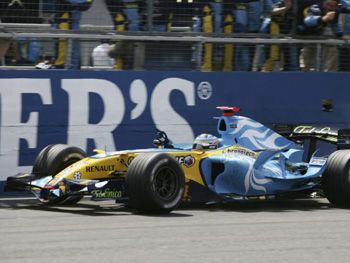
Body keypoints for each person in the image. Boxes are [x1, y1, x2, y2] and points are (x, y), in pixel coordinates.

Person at [299, 0, 350, 71]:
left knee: (323, 61)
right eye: (327, 4)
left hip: (321, 35)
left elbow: (334, 24)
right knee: (307, 61)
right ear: (323, 2)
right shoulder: (316, 8)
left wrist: (340, 35)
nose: (329, 7)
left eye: (332, 6)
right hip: (307, 36)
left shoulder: (336, 10)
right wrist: (323, 19)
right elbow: (308, 21)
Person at [53, 0, 93, 69]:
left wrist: (71, 5)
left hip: (75, 24)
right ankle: (59, 68)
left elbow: (86, 6)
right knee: (61, 49)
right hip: (62, 23)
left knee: (75, 49)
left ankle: (74, 69)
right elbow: (60, 3)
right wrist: (78, 5)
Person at [262, 0, 299, 71]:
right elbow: (273, 11)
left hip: (288, 37)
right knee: (274, 57)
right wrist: (285, 8)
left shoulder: (295, 6)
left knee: (287, 58)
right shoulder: (280, 4)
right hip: (275, 37)